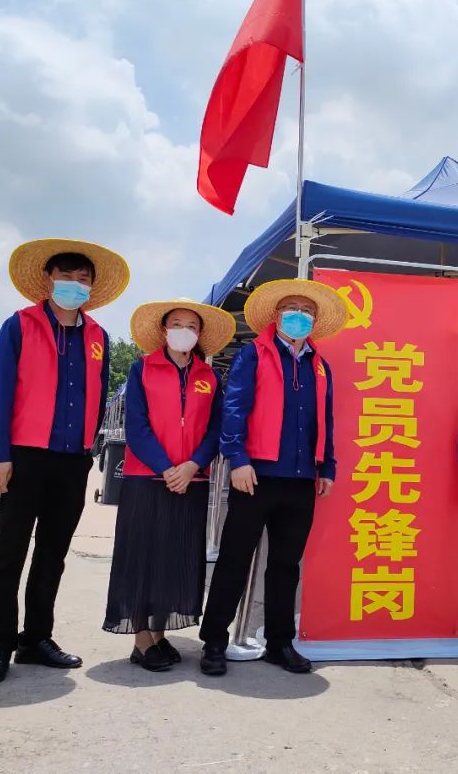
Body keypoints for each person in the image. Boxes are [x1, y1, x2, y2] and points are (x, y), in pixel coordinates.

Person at [0, 239, 129, 685]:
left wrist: (89, 448)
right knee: (9, 551)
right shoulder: (20, 325)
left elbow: (99, 393)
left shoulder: (98, 336)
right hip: (23, 455)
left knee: (52, 553)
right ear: (49, 280)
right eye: (67, 277)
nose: (75, 285)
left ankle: (36, 638)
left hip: (72, 459)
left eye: (83, 280)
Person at [199, 279, 347, 676]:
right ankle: (214, 641)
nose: (300, 315)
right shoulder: (254, 354)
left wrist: (327, 466)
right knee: (235, 559)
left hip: (301, 479)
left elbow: (326, 419)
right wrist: (238, 459)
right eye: (292, 308)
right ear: (277, 315)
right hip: (256, 474)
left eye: (307, 310)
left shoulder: (320, 365)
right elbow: (234, 408)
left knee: (286, 565)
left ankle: (280, 643)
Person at [102, 298, 234, 671]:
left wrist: (192, 466)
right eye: (176, 323)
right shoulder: (142, 369)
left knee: (174, 559)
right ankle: (142, 641)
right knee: (143, 558)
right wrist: (166, 467)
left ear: (199, 333)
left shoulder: (210, 377)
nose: (184, 331)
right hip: (146, 479)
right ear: (164, 329)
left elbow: (216, 429)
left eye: (191, 326)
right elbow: (137, 426)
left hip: (192, 480)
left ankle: (159, 635)